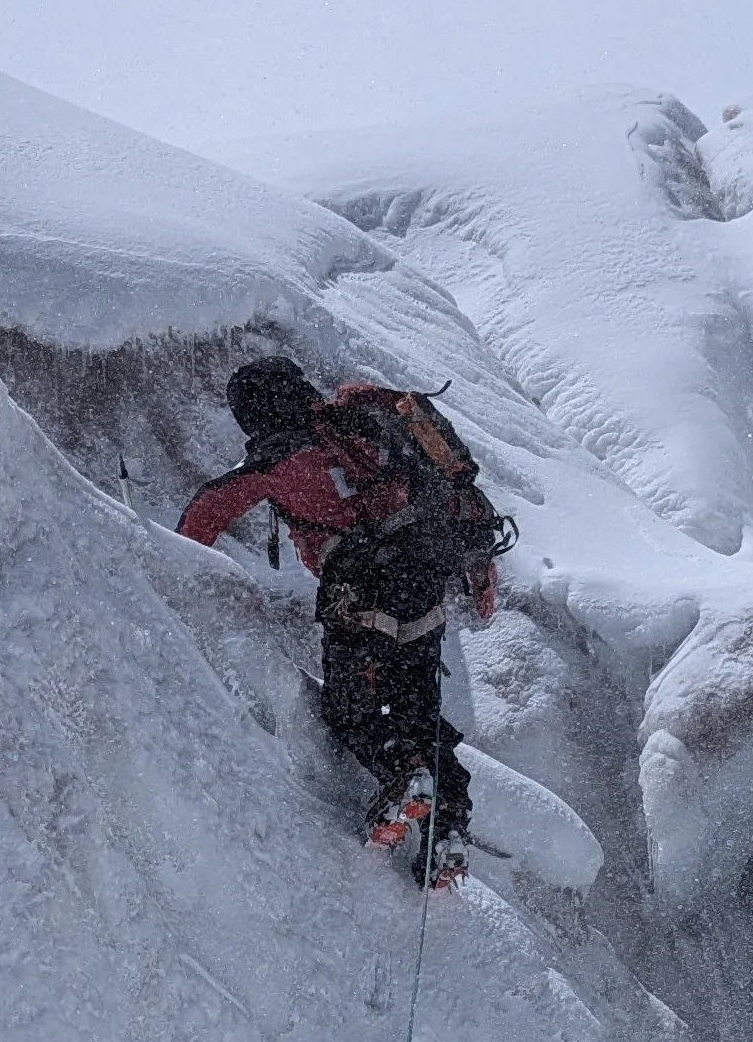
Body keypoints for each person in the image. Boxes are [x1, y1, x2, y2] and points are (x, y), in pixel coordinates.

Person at [177, 355, 511, 877]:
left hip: (358, 586)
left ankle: (404, 779)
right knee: (416, 705)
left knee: (353, 708)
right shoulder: (363, 423)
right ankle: (446, 826)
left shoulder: (276, 457)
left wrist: (159, 561)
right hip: (422, 582)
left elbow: (204, 515)